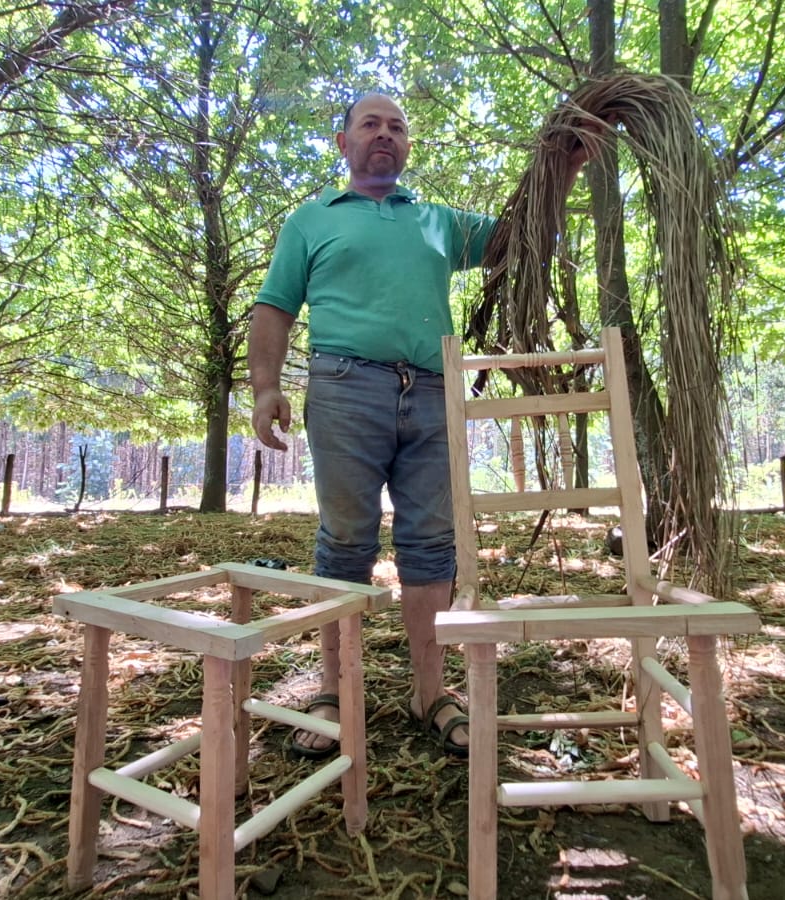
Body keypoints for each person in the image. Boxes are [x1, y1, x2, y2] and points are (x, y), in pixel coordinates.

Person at [249, 92, 593, 759]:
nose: (384, 134)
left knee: (432, 543)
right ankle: (334, 689)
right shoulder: (311, 221)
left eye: (397, 127)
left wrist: (565, 165)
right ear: (343, 142)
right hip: (345, 389)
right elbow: (274, 306)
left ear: (408, 147)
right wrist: (265, 388)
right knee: (345, 542)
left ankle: (430, 693)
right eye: (370, 124)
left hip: (434, 392)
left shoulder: (438, 222)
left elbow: (521, 238)